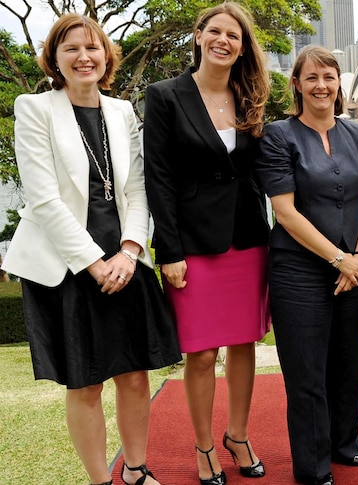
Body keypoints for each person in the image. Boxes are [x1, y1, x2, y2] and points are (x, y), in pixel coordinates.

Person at [1, 13, 181, 485]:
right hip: (67, 267)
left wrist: (128, 249)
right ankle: (101, 479)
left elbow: (139, 190)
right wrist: (94, 263)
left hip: (126, 261)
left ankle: (136, 471)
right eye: (71, 49)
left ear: (106, 55)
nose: (84, 57)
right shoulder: (34, 108)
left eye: (93, 47)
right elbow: (43, 198)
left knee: (135, 375)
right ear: (55, 59)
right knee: (84, 383)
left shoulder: (122, 111)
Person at [143, 3, 271, 483]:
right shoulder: (164, 96)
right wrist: (168, 251)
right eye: (214, 31)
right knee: (200, 352)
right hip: (193, 244)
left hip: (248, 237)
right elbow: (158, 178)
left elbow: (265, 168)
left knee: (244, 345)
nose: (223, 41)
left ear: (242, 46)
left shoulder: (251, 94)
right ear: (197, 37)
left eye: (233, 36)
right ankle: (202, 446)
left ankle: (237, 435)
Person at [255, 46, 358, 485]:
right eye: (312, 78)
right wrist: (339, 258)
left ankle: (346, 445)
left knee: (347, 365)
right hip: (298, 270)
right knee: (307, 372)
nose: (321, 85)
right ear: (297, 84)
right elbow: (285, 212)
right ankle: (313, 466)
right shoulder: (278, 135)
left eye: (329, 76)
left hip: (352, 267)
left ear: (339, 81)